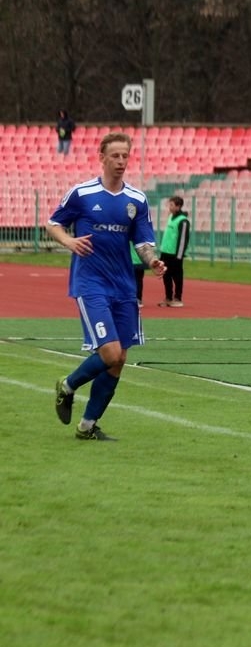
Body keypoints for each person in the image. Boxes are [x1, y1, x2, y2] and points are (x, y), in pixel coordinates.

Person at [47, 132, 166, 441]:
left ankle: (87, 426)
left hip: (124, 286)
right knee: (110, 353)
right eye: (115, 155)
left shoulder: (136, 200)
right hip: (91, 283)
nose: (121, 161)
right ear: (102, 157)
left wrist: (152, 261)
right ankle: (67, 386)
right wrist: (69, 241)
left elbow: (143, 242)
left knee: (120, 359)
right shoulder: (82, 193)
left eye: (125, 156)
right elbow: (53, 223)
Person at [158, 196, 191, 308]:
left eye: (172, 205)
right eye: (169, 204)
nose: (169, 207)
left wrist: (179, 256)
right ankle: (168, 297)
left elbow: (183, 240)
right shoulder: (171, 216)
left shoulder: (183, 221)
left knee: (177, 276)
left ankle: (178, 298)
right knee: (166, 275)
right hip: (165, 252)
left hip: (175, 254)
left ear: (178, 206)